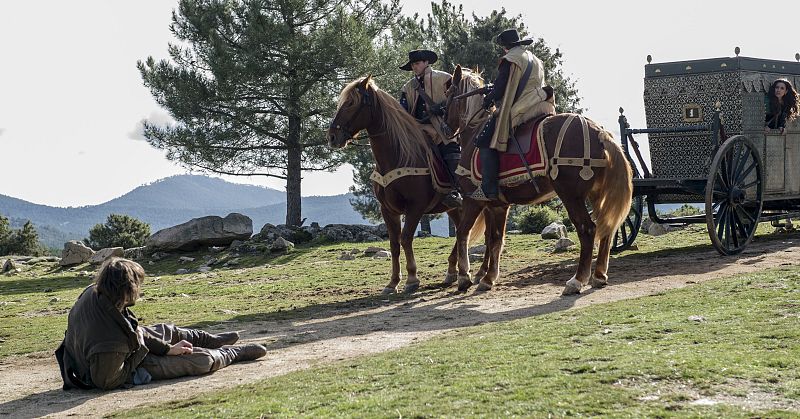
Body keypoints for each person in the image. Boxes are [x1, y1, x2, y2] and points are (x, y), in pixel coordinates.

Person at [55, 257, 267, 391]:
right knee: (199, 361)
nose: (139, 289)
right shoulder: (111, 343)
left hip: (110, 348)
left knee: (167, 331)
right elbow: (107, 381)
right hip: (116, 367)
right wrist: (144, 354)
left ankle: (210, 339)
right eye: (137, 285)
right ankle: (231, 353)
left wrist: (166, 348)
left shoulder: (97, 293)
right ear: (126, 289)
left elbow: (132, 330)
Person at [471, 29, 555, 201]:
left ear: (505, 47)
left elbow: (501, 87)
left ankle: (489, 189)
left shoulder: (509, 59)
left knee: (484, 139)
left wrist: (489, 99)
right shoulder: (535, 59)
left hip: (523, 107)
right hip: (541, 103)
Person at [399, 49, 462, 208]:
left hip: (441, 127)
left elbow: (458, 102)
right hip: (416, 129)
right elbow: (403, 110)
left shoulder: (445, 78)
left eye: (417, 63)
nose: (414, 67)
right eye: (412, 64)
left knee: (451, 150)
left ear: (426, 62)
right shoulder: (407, 87)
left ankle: (456, 191)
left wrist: (440, 109)